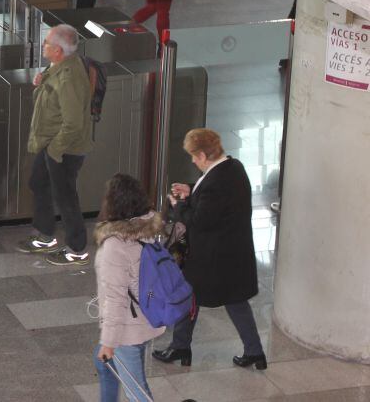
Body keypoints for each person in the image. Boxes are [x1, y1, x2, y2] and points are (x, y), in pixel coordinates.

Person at [153, 128, 266, 370]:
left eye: (194, 156)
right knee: (236, 300)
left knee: (188, 296)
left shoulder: (216, 182)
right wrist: (192, 190)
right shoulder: (234, 168)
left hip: (211, 258)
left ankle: (180, 346)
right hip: (232, 253)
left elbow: (200, 220)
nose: (193, 161)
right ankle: (255, 352)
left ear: (204, 155)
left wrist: (179, 204)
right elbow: (214, 197)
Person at [16, 24, 93, 266]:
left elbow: (73, 123)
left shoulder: (69, 78)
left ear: (58, 50)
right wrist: (43, 80)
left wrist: (55, 150)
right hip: (53, 144)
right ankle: (45, 235)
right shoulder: (60, 67)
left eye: (47, 42)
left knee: (65, 196)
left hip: (64, 149)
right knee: (38, 182)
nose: (43, 46)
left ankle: (77, 249)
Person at [93, 174, 166, 402]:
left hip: (126, 328)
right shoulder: (149, 229)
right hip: (145, 317)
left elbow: (116, 300)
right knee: (104, 366)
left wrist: (109, 342)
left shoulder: (115, 245)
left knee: (137, 391)